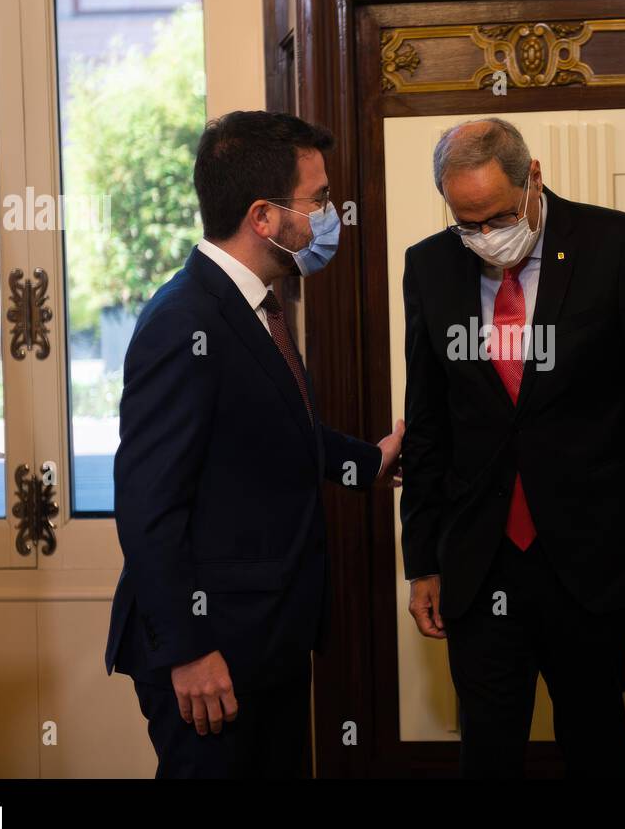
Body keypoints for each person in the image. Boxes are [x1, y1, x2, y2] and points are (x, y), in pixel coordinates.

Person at [400, 117, 625, 778]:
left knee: (594, 736)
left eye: (500, 216)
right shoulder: (429, 266)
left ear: (533, 176)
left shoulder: (617, 245)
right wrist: (423, 560)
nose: (486, 237)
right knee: (487, 745)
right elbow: (427, 425)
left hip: (590, 552)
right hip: (480, 557)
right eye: (468, 223)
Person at [104, 110, 403, 778]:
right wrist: (189, 649)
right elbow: (149, 506)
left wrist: (367, 462)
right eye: (319, 200)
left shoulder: (255, 304)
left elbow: (272, 430)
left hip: (267, 640)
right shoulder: (184, 320)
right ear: (264, 216)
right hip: (211, 653)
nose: (331, 216)